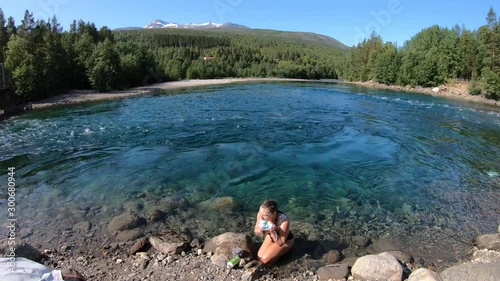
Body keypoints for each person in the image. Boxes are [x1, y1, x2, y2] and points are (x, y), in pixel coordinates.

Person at [253, 199, 294, 265]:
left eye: (265, 215)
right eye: (260, 213)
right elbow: (256, 230)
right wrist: (259, 231)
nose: (262, 217)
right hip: (271, 236)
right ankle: (275, 255)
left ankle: (282, 255)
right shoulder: (261, 214)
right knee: (259, 257)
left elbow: (280, 243)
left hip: (285, 241)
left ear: (274, 213)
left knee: (264, 259)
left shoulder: (283, 221)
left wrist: (272, 231)